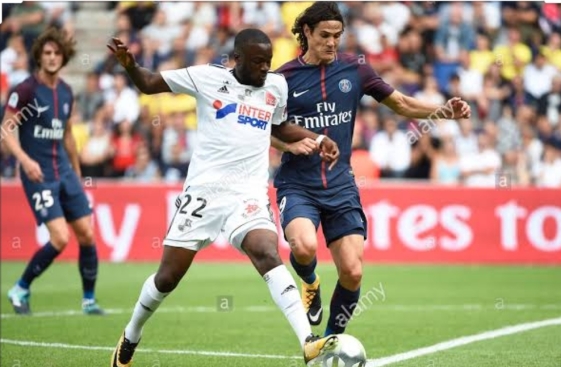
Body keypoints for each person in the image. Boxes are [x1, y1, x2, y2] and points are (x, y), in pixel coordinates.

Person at [107, 28, 341, 367]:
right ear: (238, 59)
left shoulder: (276, 86)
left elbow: (278, 128)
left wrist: (318, 139)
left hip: (248, 192)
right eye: (258, 62)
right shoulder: (206, 78)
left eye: (269, 62)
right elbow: (147, 82)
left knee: (266, 251)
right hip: (204, 193)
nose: (265, 69)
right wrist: (129, 65)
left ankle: (307, 341)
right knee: (167, 278)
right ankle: (131, 334)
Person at [272, 1, 471, 337]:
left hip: (340, 186)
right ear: (306, 32)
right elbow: (268, 129)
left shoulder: (355, 70)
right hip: (298, 184)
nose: (332, 42)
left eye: (338, 35)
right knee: (304, 247)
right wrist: (289, 144)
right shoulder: (283, 79)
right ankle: (310, 281)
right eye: (325, 35)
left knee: (352, 272)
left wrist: (443, 112)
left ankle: (331, 340)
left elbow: (402, 104)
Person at [2, 27, 104, 315]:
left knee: (86, 234)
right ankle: (20, 288)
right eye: (46, 53)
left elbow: (68, 134)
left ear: (64, 56)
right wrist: (24, 160)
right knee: (60, 238)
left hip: (65, 172)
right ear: (39, 56)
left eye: (56, 53)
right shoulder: (25, 91)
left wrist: (77, 171)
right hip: (39, 173)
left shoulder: (66, 91)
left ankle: (89, 301)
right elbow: (6, 130)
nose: (51, 57)